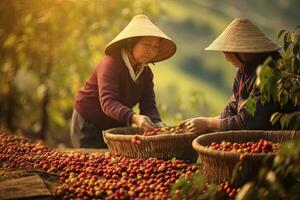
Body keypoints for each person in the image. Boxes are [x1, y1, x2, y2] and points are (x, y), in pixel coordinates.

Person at [71, 14, 176, 148]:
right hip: (89, 123)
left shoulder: (146, 72)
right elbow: (108, 102)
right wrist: (135, 118)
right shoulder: (110, 64)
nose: (151, 51)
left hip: (116, 124)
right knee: (88, 163)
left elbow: (148, 105)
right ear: (131, 42)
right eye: (147, 44)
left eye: (155, 47)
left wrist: (157, 124)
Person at [180, 18, 284, 134]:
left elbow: (248, 122)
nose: (227, 58)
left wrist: (208, 123)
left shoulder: (270, 73)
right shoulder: (243, 72)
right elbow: (232, 109)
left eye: (227, 53)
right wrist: (200, 123)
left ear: (242, 51)